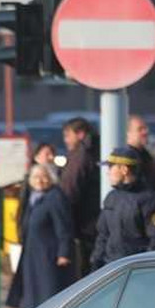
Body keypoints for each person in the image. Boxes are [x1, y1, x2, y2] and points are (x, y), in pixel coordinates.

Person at [6, 164, 75, 308]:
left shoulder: (55, 197)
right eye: (36, 177)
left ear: (52, 179)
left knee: (47, 294)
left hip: (48, 256)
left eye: (44, 177)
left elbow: (64, 227)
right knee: (32, 293)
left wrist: (64, 253)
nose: (40, 180)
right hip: (32, 255)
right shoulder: (32, 197)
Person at [90, 147, 155, 269]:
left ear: (124, 169)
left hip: (138, 273)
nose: (108, 172)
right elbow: (103, 235)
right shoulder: (112, 197)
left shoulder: (150, 201)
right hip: (111, 269)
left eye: (111, 167)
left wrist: (144, 269)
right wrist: (95, 262)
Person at [59, 117, 100, 276]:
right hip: (93, 222)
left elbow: (70, 189)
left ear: (80, 134)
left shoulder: (81, 155)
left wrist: (61, 215)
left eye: (68, 135)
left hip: (85, 224)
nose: (66, 141)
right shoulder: (97, 149)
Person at [17, 142, 57, 235]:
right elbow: (23, 206)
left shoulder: (59, 177)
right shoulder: (29, 179)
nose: (51, 158)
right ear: (36, 157)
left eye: (53, 154)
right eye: (47, 154)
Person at [125, 114, 155, 195]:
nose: (146, 131)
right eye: (140, 129)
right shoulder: (126, 159)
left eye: (145, 128)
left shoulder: (146, 156)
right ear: (128, 133)